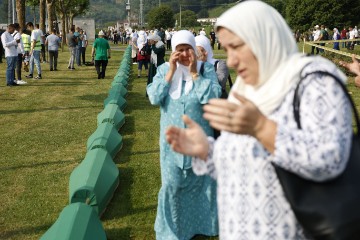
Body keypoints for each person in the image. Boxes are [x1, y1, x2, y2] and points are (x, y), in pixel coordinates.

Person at [165, 1, 353, 239]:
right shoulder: (244, 89)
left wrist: (261, 127)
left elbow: (330, 159)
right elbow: (241, 163)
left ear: (264, 38)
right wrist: (207, 151)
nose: (231, 61)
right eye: (226, 49)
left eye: (236, 47)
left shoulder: (313, 82)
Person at [147, 30, 221, 240]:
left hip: (200, 143)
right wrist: (170, 72)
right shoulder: (163, 70)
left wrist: (195, 74)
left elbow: (213, 96)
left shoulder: (206, 69)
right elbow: (153, 97)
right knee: (172, 185)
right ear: (173, 52)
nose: (185, 54)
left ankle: (204, 225)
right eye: (179, 50)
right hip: (171, 144)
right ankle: (172, 231)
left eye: (188, 49)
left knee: (203, 184)